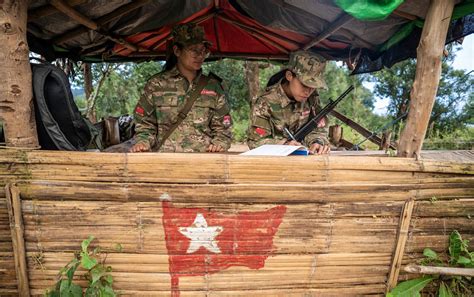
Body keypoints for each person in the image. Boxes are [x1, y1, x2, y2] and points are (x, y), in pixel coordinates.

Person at [130, 24, 232, 153]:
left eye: (203, 51)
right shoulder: (156, 84)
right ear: (177, 51)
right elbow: (144, 124)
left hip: (204, 162)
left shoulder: (213, 86)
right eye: (193, 50)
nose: (199, 56)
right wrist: (143, 142)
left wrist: (219, 143)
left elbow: (223, 128)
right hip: (166, 162)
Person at [247, 51, 330, 155]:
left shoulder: (312, 98)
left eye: (313, 87)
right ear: (289, 76)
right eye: (304, 85)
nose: (308, 92)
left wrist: (317, 141)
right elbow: (255, 141)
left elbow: (319, 129)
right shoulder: (265, 102)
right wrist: (284, 145)